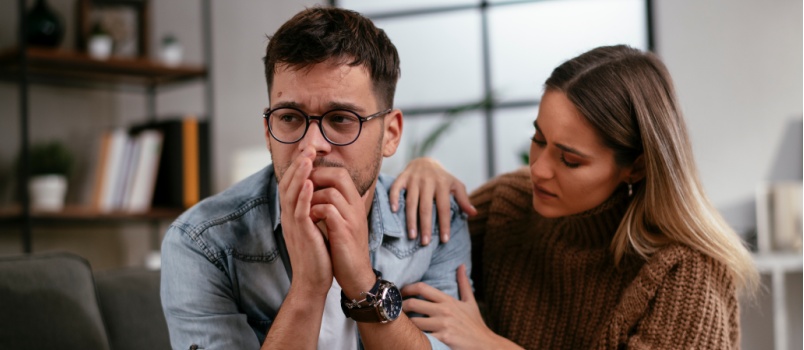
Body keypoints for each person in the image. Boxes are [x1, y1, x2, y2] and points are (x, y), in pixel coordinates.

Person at [394, 45, 759, 349]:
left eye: (569, 159)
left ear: (636, 167)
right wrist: (428, 170)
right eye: (538, 140)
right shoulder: (508, 204)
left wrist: (488, 344)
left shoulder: (686, 271)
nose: (538, 169)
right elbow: (411, 256)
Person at [160, 7, 471, 350]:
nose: (311, 145)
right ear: (268, 131)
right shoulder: (201, 242)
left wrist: (363, 284)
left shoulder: (435, 223)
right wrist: (308, 288)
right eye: (290, 117)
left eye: (341, 118)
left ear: (391, 134)